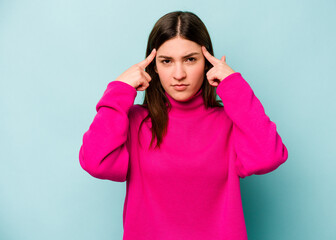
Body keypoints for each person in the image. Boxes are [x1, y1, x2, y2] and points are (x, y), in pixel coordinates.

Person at [79, 10, 288, 240]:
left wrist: (233, 85)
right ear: (154, 67)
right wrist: (119, 89)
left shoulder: (230, 122)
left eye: (190, 59)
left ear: (207, 63)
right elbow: (95, 162)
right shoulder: (135, 122)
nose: (179, 74)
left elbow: (269, 157)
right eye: (167, 61)